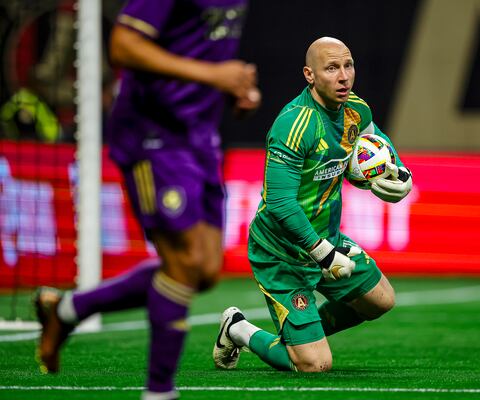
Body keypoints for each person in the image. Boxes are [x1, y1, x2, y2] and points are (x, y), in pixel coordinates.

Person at [34, 1, 260, 399]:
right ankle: (159, 392)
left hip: (199, 134)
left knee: (205, 270)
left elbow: (200, 47)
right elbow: (123, 45)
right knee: (184, 261)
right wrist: (214, 75)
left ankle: (67, 310)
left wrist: (232, 88)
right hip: (152, 132)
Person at [212, 37, 412, 373]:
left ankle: (301, 333)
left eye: (348, 65)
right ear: (309, 74)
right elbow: (278, 203)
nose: (343, 76)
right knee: (314, 364)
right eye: (332, 68)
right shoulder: (294, 124)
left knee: (381, 301)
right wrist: (323, 254)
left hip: (328, 239)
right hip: (282, 251)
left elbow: (373, 141)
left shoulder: (356, 110)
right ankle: (239, 328)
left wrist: (395, 170)